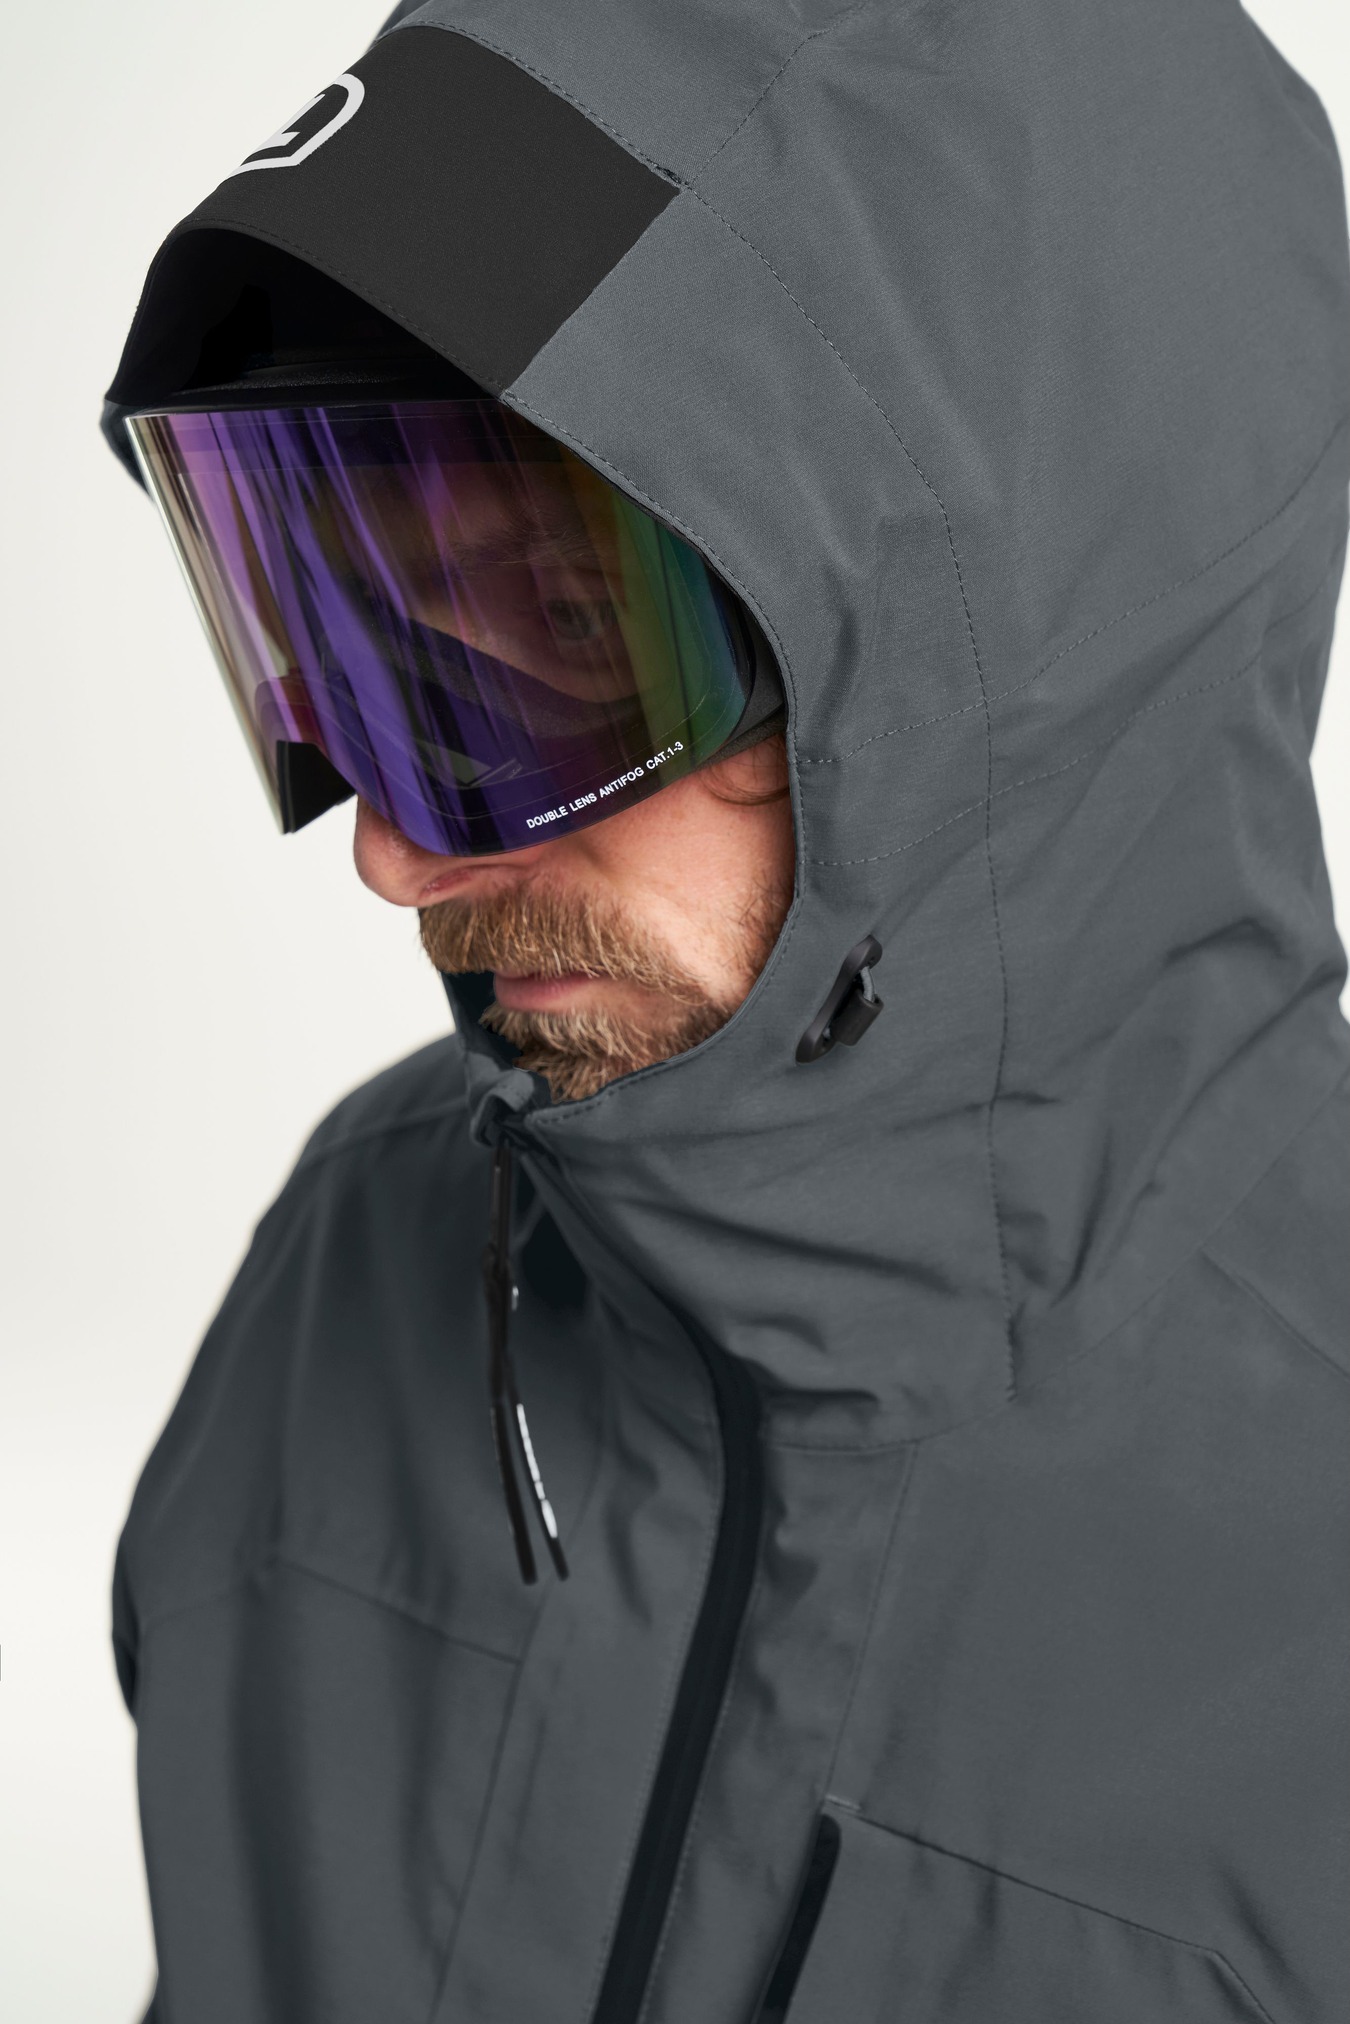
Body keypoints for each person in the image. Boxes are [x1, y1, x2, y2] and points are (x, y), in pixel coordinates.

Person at [103, 3, 1349, 2020]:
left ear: (1024, 660)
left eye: (570, 634)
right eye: (374, 651)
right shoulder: (359, 1252)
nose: (397, 858)